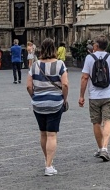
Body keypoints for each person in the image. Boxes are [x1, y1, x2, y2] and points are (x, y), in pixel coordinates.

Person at [28, 38, 69, 176]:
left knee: (43, 133)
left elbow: (28, 86)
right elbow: (65, 84)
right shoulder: (60, 64)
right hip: (55, 103)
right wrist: (64, 98)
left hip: (38, 104)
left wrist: (34, 97)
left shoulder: (35, 65)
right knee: (52, 134)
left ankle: (47, 160)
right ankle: (49, 166)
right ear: (54, 49)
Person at [78, 35, 110, 162]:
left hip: (94, 96)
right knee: (108, 121)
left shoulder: (89, 58)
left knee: (96, 122)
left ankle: (100, 147)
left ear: (96, 46)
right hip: (108, 95)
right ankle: (105, 148)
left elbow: (84, 78)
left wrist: (81, 96)